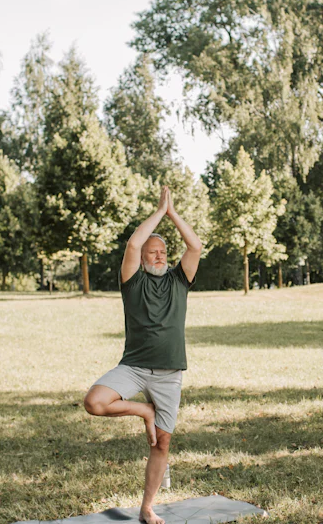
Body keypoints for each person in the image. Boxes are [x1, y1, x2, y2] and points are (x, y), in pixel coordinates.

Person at [83, 185, 202, 524]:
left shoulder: (179, 280)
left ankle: (147, 507)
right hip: (134, 367)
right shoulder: (132, 282)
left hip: (169, 374)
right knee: (94, 402)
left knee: (161, 444)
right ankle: (144, 410)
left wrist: (172, 213)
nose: (159, 256)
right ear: (143, 258)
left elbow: (195, 246)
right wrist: (159, 212)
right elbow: (133, 244)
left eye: (162, 251)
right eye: (152, 252)